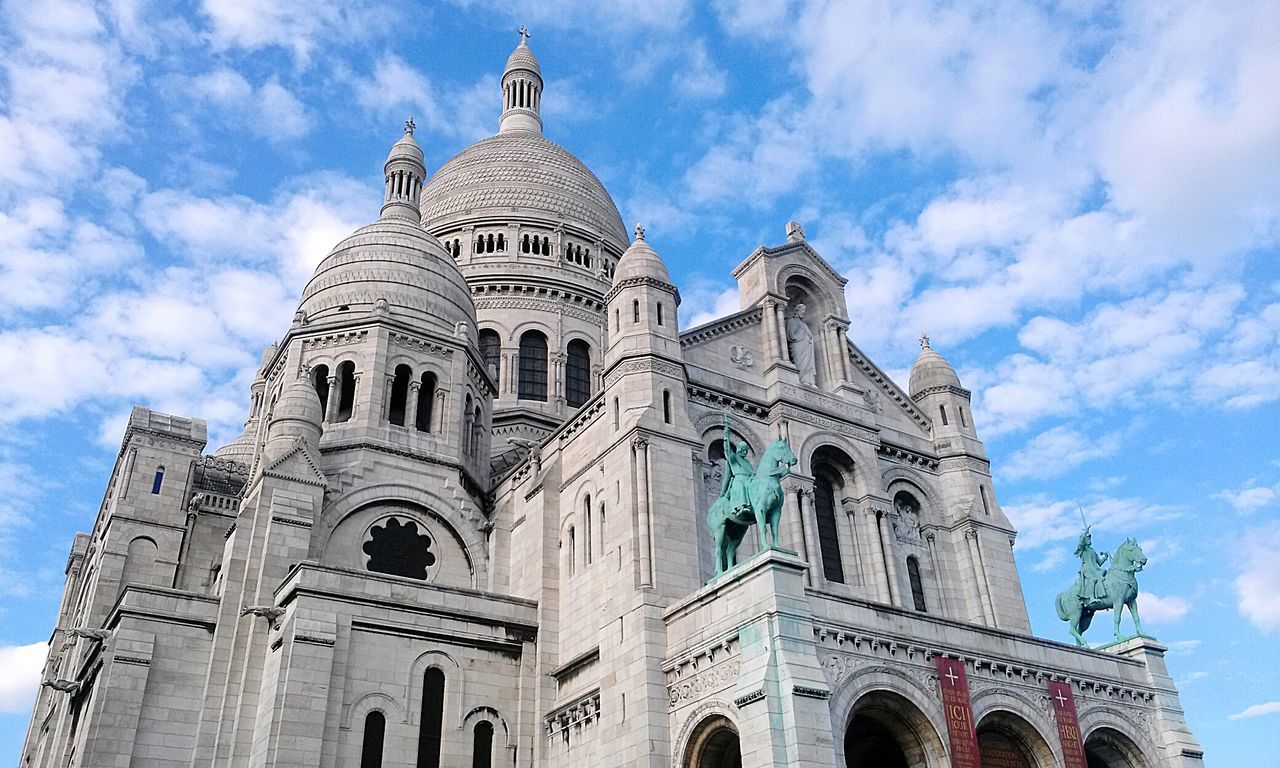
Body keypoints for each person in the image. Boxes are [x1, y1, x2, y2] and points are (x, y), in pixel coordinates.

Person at [720, 417, 755, 519]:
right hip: (739, 479)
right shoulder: (734, 458)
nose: (745, 452)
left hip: (748, 479)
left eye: (746, 450)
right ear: (739, 449)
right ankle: (740, 506)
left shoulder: (747, 462)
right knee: (740, 485)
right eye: (743, 450)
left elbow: (751, 472)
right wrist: (726, 436)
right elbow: (727, 450)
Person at [1075, 527, 1109, 604]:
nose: (1089, 540)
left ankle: (1102, 593)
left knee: (1104, 572)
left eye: (1090, 539)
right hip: (1087, 569)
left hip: (1095, 569)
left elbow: (1099, 562)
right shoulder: (1082, 549)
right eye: (1088, 539)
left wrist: (1105, 557)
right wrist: (1085, 533)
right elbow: (1080, 544)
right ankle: (1091, 597)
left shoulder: (1092, 550)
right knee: (1093, 579)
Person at [786, 302, 817, 386]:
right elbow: (791, 334)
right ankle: (803, 380)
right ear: (796, 311)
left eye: (804, 310)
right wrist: (800, 337)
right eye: (802, 310)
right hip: (798, 346)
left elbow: (810, 335)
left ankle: (810, 381)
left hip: (806, 346)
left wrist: (808, 339)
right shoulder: (791, 321)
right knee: (801, 363)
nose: (803, 312)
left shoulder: (804, 324)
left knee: (808, 363)